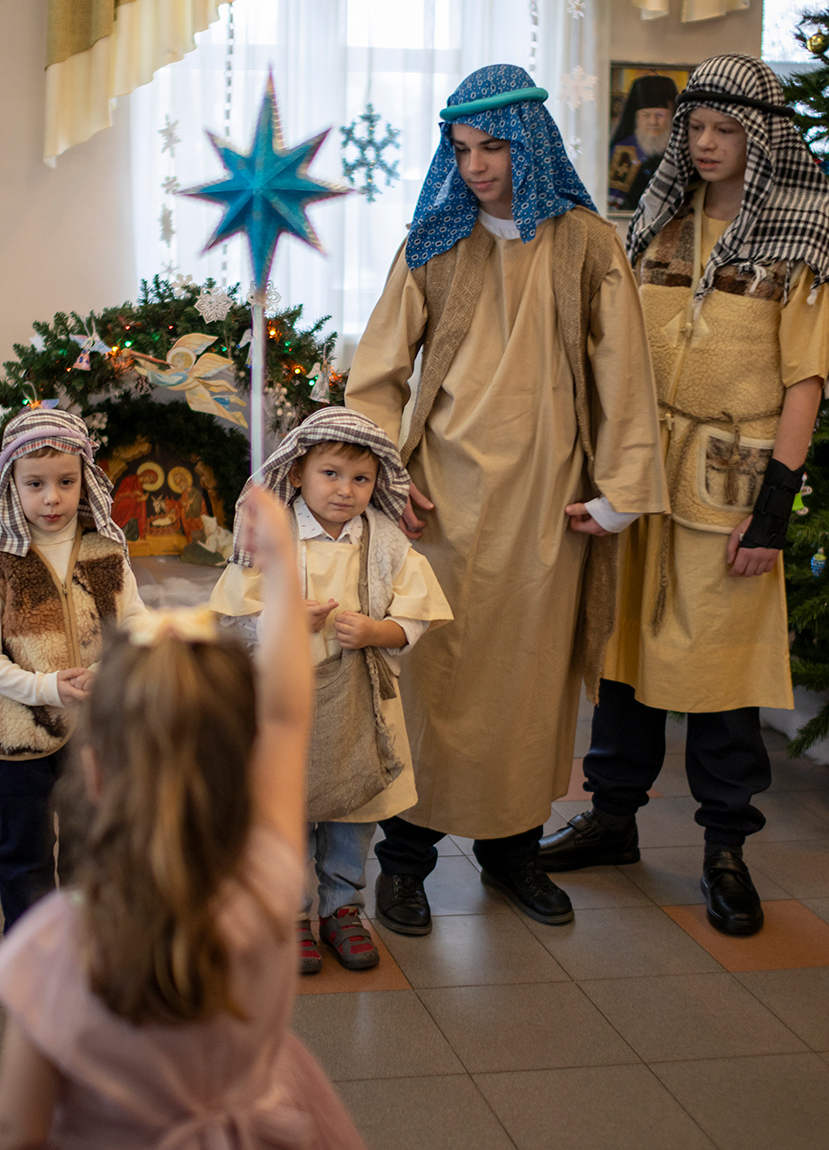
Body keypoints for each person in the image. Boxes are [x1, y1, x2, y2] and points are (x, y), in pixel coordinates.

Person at [344, 64, 667, 934]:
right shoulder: (434, 241)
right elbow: (377, 374)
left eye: (493, 147)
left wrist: (619, 494)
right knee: (430, 681)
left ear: (530, 142)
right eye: (461, 149)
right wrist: (384, 479)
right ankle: (405, 863)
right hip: (441, 506)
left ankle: (512, 851)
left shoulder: (588, 245)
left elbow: (624, 374)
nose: (477, 166)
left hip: (546, 511)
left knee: (528, 684)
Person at [0, 489, 367, 1150]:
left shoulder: (57, 947)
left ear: (94, 775)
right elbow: (284, 715)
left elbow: (15, 1128)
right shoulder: (268, 880)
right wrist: (280, 561)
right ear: (242, 768)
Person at [539, 54, 829, 937]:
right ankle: (612, 818)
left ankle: (725, 849)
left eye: (725, 130)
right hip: (641, 474)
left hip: (729, 483)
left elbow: (806, 382)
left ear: (763, 140)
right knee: (622, 655)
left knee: (720, 675)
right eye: (695, 127)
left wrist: (772, 511)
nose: (704, 144)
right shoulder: (657, 227)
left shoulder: (802, 242)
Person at [211, 408, 451, 972]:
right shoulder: (270, 539)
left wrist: (377, 632)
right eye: (331, 474)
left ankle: (342, 906)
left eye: (361, 479)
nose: (346, 490)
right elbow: (233, 616)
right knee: (287, 810)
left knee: (353, 809)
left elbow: (416, 617)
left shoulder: (386, 543)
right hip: (283, 703)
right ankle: (290, 911)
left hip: (359, 705)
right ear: (297, 473)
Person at [0, 409, 144, 931]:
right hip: (21, 734)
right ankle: (34, 945)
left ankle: (87, 939)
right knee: (23, 847)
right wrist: (45, 687)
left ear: (85, 481)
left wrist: (110, 669)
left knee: (93, 840)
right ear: (12, 486)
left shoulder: (106, 551)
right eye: (35, 484)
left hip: (95, 729)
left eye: (66, 482)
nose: (52, 498)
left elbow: (136, 623)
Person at [608, 74, 678, 211]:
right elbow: (613, 207)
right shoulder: (622, 153)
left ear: (671, 117)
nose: (653, 122)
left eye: (660, 115)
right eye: (646, 115)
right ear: (636, 118)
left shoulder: (681, 150)